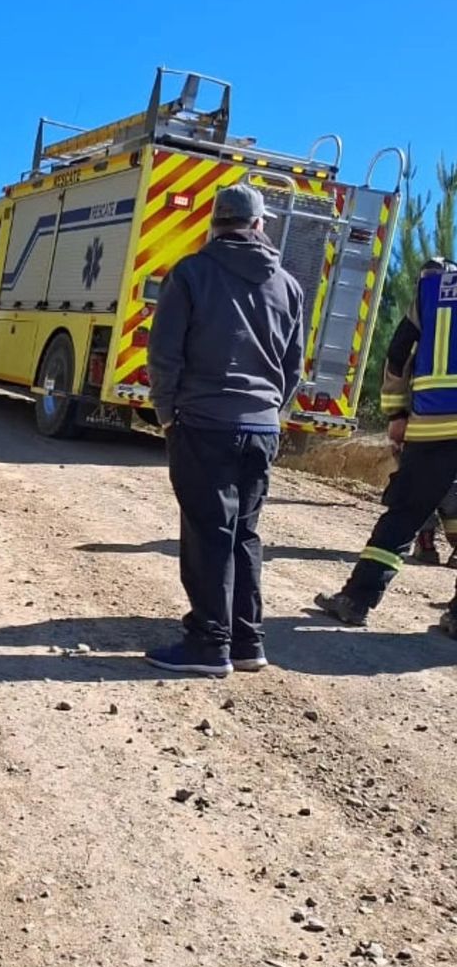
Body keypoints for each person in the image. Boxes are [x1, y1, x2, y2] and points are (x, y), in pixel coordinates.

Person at [144, 184, 304, 677]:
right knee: (244, 533)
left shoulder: (190, 274)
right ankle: (247, 642)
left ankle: (209, 645)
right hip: (261, 427)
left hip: (204, 422)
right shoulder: (289, 286)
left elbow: (164, 353)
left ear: (215, 224)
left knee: (207, 534)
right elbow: (294, 366)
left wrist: (166, 414)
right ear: (259, 225)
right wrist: (270, 409)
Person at [316, 256, 457, 632]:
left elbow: (398, 354)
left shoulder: (434, 291)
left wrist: (396, 414)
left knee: (404, 516)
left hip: (433, 425)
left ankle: (356, 600)